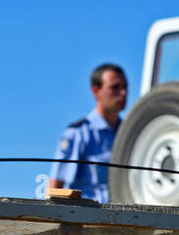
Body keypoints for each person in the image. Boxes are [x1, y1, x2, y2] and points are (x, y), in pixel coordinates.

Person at [49, 63, 128, 203]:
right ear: (96, 91)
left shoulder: (128, 134)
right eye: (115, 87)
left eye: (125, 87)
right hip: (87, 220)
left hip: (124, 220)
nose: (123, 93)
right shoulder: (78, 134)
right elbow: (56, 189)